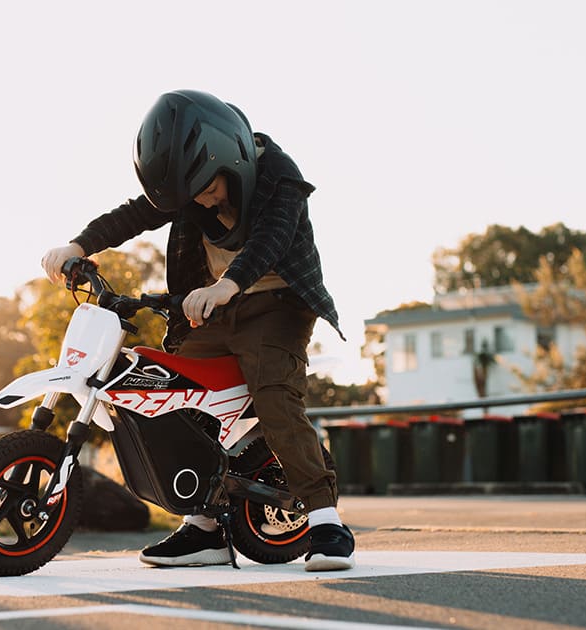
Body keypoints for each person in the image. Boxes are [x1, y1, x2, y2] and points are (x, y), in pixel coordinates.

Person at [41, 89, 354, 572]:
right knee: (174, 391)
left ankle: (325, 520)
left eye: (209, 188)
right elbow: (136, 214)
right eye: (192, 196)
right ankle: (204, 527)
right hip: (213, 306)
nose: (203, 201)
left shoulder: (281, 175)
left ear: (233, 160)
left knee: (274, 393)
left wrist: (228, 284)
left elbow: (272, 239)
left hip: (278, 305)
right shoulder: (190, 186)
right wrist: (79, 243)